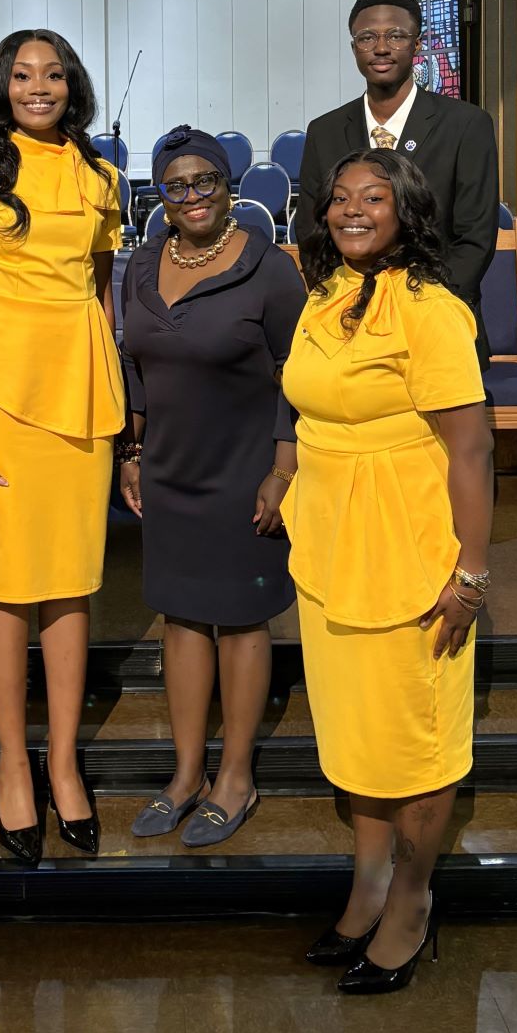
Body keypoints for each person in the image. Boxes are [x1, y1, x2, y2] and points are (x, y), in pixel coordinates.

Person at [282, 148, 493, 994]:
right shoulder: (324, 295)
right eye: (340, 198)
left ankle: (410, 900)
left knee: (417, 742)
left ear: (408, 211)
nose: (353, 210)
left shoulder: (432, 310)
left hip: (406, 546)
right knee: (358, 734)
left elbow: (472, 448)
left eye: (374, 197)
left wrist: (470, 573)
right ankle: (368, 885)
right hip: (330, 544)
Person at [0, 30, 123, 866]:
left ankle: (65, 760)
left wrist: (120, 401)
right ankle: (13, 759)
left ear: (72, 87)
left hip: (80, 397)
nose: (37, 87)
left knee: (72, 583)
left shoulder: (102, 177)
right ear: (0, 88)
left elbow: (104, 295)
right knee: (5, 588)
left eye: (52, 74)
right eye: (21, 75)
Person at [118, 126, 306, 847]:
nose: (192, 196)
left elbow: (299, 371)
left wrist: (284, 468)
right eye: (176, 184)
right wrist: (131, 452)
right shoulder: (141, 265)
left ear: (230, 188)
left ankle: (236, 777)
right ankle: (186, 773)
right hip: (170, 467)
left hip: (243, 467)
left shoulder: (270, 269)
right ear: (159, 194)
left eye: (207, 182)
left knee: (240, 622)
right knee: (182, 619)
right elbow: (133, 362)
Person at [291, 0, 498, 367]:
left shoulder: (467, 125)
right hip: (346, 324)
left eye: (396, 36)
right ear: (354, 48)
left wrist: (419, 309)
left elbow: (475, 238)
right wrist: (349, 305)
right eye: (367, 37)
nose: (381, 48)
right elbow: (311, 231)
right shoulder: (326, 130)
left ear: (417, 45)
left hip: (438, 322)